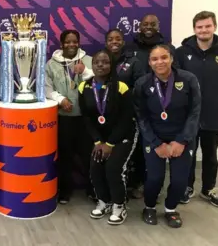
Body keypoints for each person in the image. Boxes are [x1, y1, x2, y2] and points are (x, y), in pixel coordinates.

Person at [176, 11, 218, 207]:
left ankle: (208, 189)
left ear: (214, 27)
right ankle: (187, 188)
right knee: (187, 153)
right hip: (188, 115)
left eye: (207, 26)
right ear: (194, 29)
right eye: (199, 27)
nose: (203, 30)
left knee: (211, 155)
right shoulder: (181, 52)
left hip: (215, 113)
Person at [134, 45, 201, 228]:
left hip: (182, 137)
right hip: (154, 137)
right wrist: (156, 143)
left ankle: (171, 209)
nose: (160, 62)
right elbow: (141, 116)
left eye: (164, 57)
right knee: (154, 178)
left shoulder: (188, 79)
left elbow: (195, 113)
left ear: (171, 58)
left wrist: (181, 141)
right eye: (155, 59)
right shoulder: (142, 83)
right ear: (149, 62)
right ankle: (149, 207)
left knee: (180, 180)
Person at [78, 50, 137, 225]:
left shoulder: (121, 87)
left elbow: (127, 119)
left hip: (122, 137)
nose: (100, 65)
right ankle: (104, 201)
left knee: (113, 168)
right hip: (100, 140)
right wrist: (98, 141)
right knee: (95, 168)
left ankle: (119, 205)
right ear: (92, 65)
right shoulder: (84, 87)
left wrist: (110, 143)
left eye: (105, 62)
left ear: (111, 65)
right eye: (96, 62)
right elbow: (87, 118)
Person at [45, 29, 94, 204]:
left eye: (75, 41)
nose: (71, 45)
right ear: (61, 44)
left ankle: (93, 189)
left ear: (79, 43)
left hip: (85, 117)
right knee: (65, 155)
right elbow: (46, 87)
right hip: (63, 117)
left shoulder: (88, 60)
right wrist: (60, 99)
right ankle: (65, 190)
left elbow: (102, 82)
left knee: (89, 155)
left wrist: (86, 72)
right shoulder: (52, 63)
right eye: (68, 42)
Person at [105, 29, 146, 198]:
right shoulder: (102, 59)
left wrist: (124, 99)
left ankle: (135, 184)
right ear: (106, 42)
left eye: (118, 39)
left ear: (123, 41)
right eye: (110, 39)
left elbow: (140, 86)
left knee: (133, 153)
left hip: (127, 115)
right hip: (106, 116)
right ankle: (107, 186)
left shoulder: (134, 62)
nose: (114, 42)